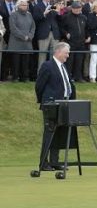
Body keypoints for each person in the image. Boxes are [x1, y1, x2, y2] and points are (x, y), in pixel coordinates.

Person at [35, 42, 76, 172]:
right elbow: (39, 86)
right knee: (49, 133)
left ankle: (54, 161)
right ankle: (43, 163)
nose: (68, 55)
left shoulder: (63, 67)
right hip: (51, 105)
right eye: (66, 53)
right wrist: (46, 101)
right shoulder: (47, 66)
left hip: (64, 105)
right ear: (58, 52)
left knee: (59, 134)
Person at [9, 0, 37, 82]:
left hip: (27, 42)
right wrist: (23, 36)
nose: (25, 7)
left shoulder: (29, 15)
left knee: (25, 61)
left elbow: (33, 26)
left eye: (26, 5)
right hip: (16, 42)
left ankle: (24, 77)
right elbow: (13, 28)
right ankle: (15, 77)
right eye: (23, 5)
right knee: (16, 62)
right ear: (19, 5)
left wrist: (30, 35)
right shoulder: (14, 15)